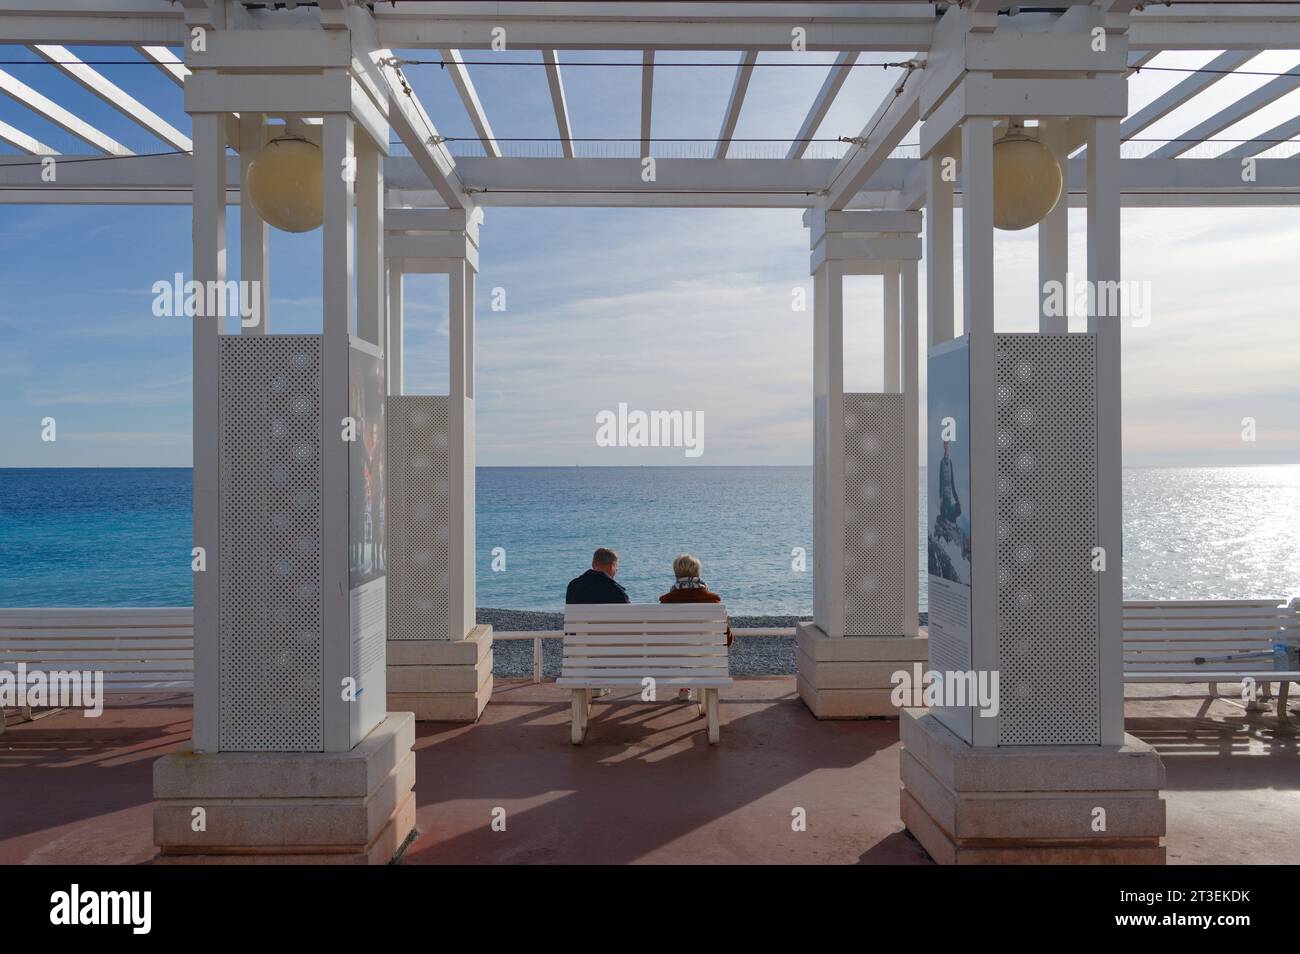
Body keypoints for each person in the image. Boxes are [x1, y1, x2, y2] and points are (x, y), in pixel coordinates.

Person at [658, 554, 733, 701]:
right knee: (702, 647)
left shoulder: (666, 602)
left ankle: (684, 685)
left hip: (673, 658)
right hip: (706, 657)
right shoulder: (713, 602)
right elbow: (727, 640)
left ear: (676, 575)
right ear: (698, 574)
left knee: (681, 648)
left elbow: (660, 638)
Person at [565, 547, 630, 604]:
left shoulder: (573, 586)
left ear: (593, 565)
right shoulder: (617, 591)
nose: (616, 570)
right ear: (612, 566)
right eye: (616, 566)